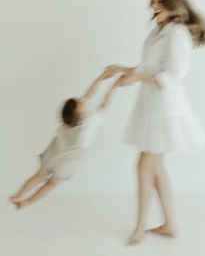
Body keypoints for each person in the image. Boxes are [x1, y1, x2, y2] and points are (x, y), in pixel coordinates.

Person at [104, 0, 205, 244]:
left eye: (158, 1)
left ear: (172, 4)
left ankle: (140, 225)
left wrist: (137, 76)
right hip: (151, 105)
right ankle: (170, 224)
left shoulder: (177, 34)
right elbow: (151, 65)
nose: (153, 6)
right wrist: (124, 69)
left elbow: (174, 74)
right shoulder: (159, 30)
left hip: (166, 108)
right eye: (152, 1)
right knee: (157, 167)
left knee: (144, 164)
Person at [9, 67, 122, 209]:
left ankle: (18, 196)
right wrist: (115, 86)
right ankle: (26, 201)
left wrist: (101, 77)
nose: (82, 100)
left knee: (39, 175)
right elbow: (105, 103)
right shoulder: (91, 123)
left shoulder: (69, 120)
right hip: (68, 160)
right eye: (80, 103)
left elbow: (89, 94)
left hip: (55, 152)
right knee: (51, 184)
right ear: (80, 113)